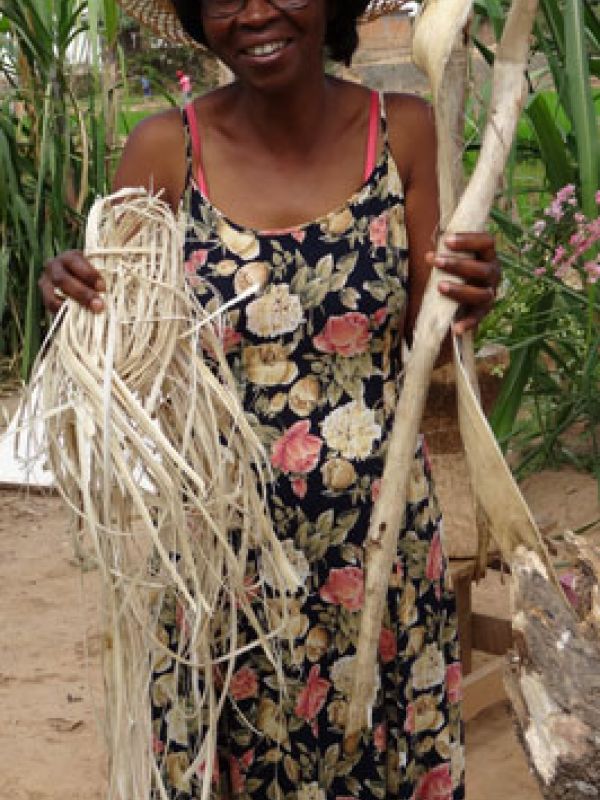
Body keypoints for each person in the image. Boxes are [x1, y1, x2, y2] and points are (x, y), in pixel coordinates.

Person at [40, 1, 500, 798]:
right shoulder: (166, 149)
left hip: (377, 543)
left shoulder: (405, 132)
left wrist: (474, 292)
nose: (256, 13)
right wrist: (73, 296)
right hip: (222, 557)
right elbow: (122, 346)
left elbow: (439, 335)